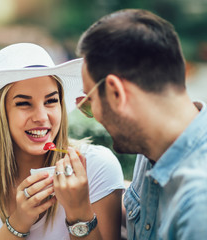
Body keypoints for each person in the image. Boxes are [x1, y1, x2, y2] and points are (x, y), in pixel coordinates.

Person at [0, 43, 125, 239]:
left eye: (51, 100)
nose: (42, 117)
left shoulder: (96, 165)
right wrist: (20, 220)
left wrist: (78, 212)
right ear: (0, 114)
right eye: (24, 103)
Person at [76, 9, 207, 240]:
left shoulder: (198, 204)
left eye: (89, 102)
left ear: (116, 93)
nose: (92, 114)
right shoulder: (150, 144)